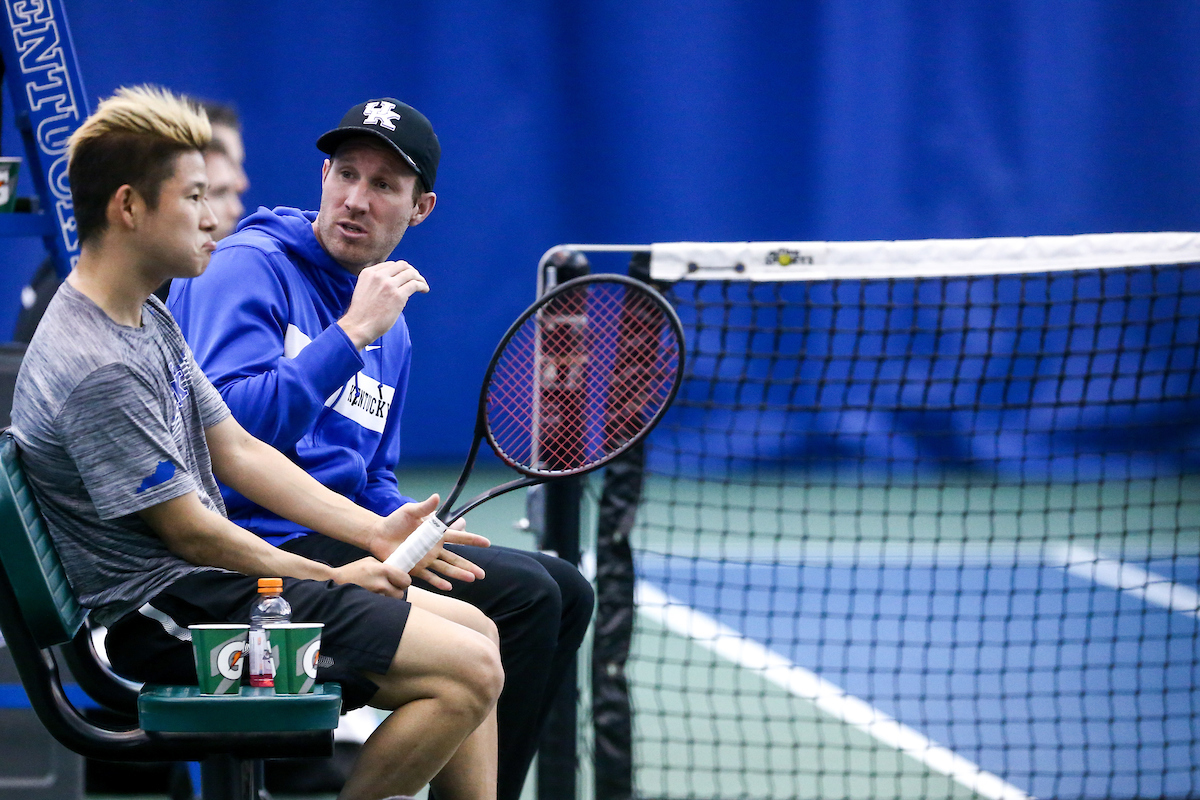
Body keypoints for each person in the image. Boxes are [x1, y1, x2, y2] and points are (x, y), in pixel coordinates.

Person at [10, 85, 504, 800]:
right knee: (469, 673)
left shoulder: (144, 317)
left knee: (480, 637)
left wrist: (374, 533)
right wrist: (332, 579)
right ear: (129, 208)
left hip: (210, 584)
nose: (215, 218)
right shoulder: (100, 368)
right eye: (194, 198)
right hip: (170, 613)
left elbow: (237, 449)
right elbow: (196, 536)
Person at [168, 97, 594, 800]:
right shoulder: (249, 268)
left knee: (565, 591)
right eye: (346, 174)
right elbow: (229, 436)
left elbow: (371, 474)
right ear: (323, 177)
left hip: (346, 535)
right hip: (255, 542)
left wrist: (406, 526)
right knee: (524, 603)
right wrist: (349, 336)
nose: (356, 200)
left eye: (384, 185)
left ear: (420, 209)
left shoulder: (390, 325)